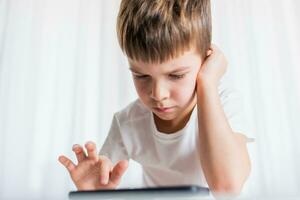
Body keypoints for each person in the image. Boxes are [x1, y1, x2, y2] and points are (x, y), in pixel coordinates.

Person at [58, 0, 252, 195]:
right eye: (141, 76)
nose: (158, 94)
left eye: (176, 75)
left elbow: (227, 188)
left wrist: (207, 83)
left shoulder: (224, 103)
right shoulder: (127, 122)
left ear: (206, 60)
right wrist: (94, 192)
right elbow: (101, 177)